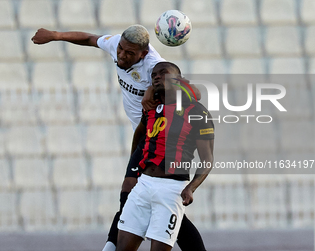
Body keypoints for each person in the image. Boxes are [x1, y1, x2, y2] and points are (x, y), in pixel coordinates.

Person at [32, 25, 205, 251]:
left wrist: (152, 90)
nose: (122, 55)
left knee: (131, 192)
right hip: (142, 135)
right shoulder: (117, 45)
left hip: (157, 137)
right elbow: (89, 38)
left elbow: (195, 94)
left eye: (129, 53)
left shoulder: (154, 65)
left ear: (143, 54)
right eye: (121, 50)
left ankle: (110, 246)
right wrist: (55, 36)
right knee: (152, 203)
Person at [117, 61, 214, 251]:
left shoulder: (197, 112)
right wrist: (134, 167)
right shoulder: (152, 108)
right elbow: (140, 134)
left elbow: (207, 159)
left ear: (178, 79)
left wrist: (191, 188)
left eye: (163, 73)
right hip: (143, 185)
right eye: (154, 74)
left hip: (171, 189)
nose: (156, 76)